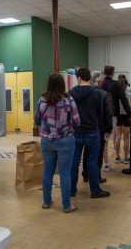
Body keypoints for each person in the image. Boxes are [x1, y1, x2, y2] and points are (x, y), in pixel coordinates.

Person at [34, 73, 80, 213]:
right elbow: (77, 121)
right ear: (62, 84)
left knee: (48, 171)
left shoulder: (42, 100)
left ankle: (47, 202)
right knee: (65, 173)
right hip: (65, 140)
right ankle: (66, 206)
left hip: (47, 141)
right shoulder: (68, 100)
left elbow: (36, 120)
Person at [69, 67, 110, 199]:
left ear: (79, 78)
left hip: (75, 132)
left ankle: (71, 190)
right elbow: (101, 113)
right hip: (93, 132)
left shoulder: (70, 93)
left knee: (74, 162)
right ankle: (95, 190)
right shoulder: (98, 94)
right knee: (92, 161)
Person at [82, 71, 113, 182]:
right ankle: (96, 176)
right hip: (99, 128)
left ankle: (85, 174)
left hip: (84, 127)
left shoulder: (83, 93)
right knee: (98, 153)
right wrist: (110, 128)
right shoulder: (103, 94)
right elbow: (107, 113)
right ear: (99, 81)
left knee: (86, 152)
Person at [102, 66, 131, 164]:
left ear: (104, 73)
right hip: (118, 114)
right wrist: (130, 115)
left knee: (115, 137)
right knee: (126, 137)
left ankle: (114, 157)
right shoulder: (116, 85)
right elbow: (124, 100)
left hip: (106, 115)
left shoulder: (101, 84)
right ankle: (126, 158)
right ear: (113, 73)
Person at [114, 79, 131, 164]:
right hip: (127, 116)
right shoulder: (130, 95)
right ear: (127, 85)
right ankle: (126, 157)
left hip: (118, 116)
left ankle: (117, 156)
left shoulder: (115, 95)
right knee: (126, 137)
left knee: (118, 137)